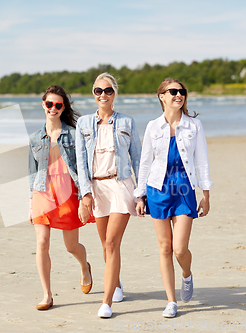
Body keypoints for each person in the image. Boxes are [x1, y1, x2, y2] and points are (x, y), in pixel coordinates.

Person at [135, 78, 213, 318]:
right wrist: (140, 196)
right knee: (165, 247)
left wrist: (206, 194)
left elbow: (202, 160)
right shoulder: (152, 127)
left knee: (180, 249)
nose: (178, 95)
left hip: (184, 188)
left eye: (182, 92)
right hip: (157, 189)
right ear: (162, 96)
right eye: (173, 91)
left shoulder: (194, 126)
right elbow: (145, 162)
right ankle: (171, 301)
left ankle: (187, 275)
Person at [76, 73, 141, 318]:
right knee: (104, 244)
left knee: (113, 242)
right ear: (93, 94)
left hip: (121, 184)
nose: (103, 94)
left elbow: (138, 158)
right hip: (96, 188)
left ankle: (106, 303)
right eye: (98, 90)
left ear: (115, 93)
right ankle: (117, 283)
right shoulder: (83, 124)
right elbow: (81, 163)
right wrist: (85, 195)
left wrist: (140, 192)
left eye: (108, 90)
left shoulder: (127, 122)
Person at [28, 85, 95, 311]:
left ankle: (84, 266)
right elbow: (32, 172)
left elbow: (83, 168)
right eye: (49, 104)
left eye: (58, 105)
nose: (53, 108)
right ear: (43, 105)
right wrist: (30, 203)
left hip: (67, 192)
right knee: (42, 242)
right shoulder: (35, 138)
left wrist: (85, 197)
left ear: (63, 107)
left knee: (71, 246)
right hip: (42, 193)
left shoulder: (74, 135)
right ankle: (47, 294)